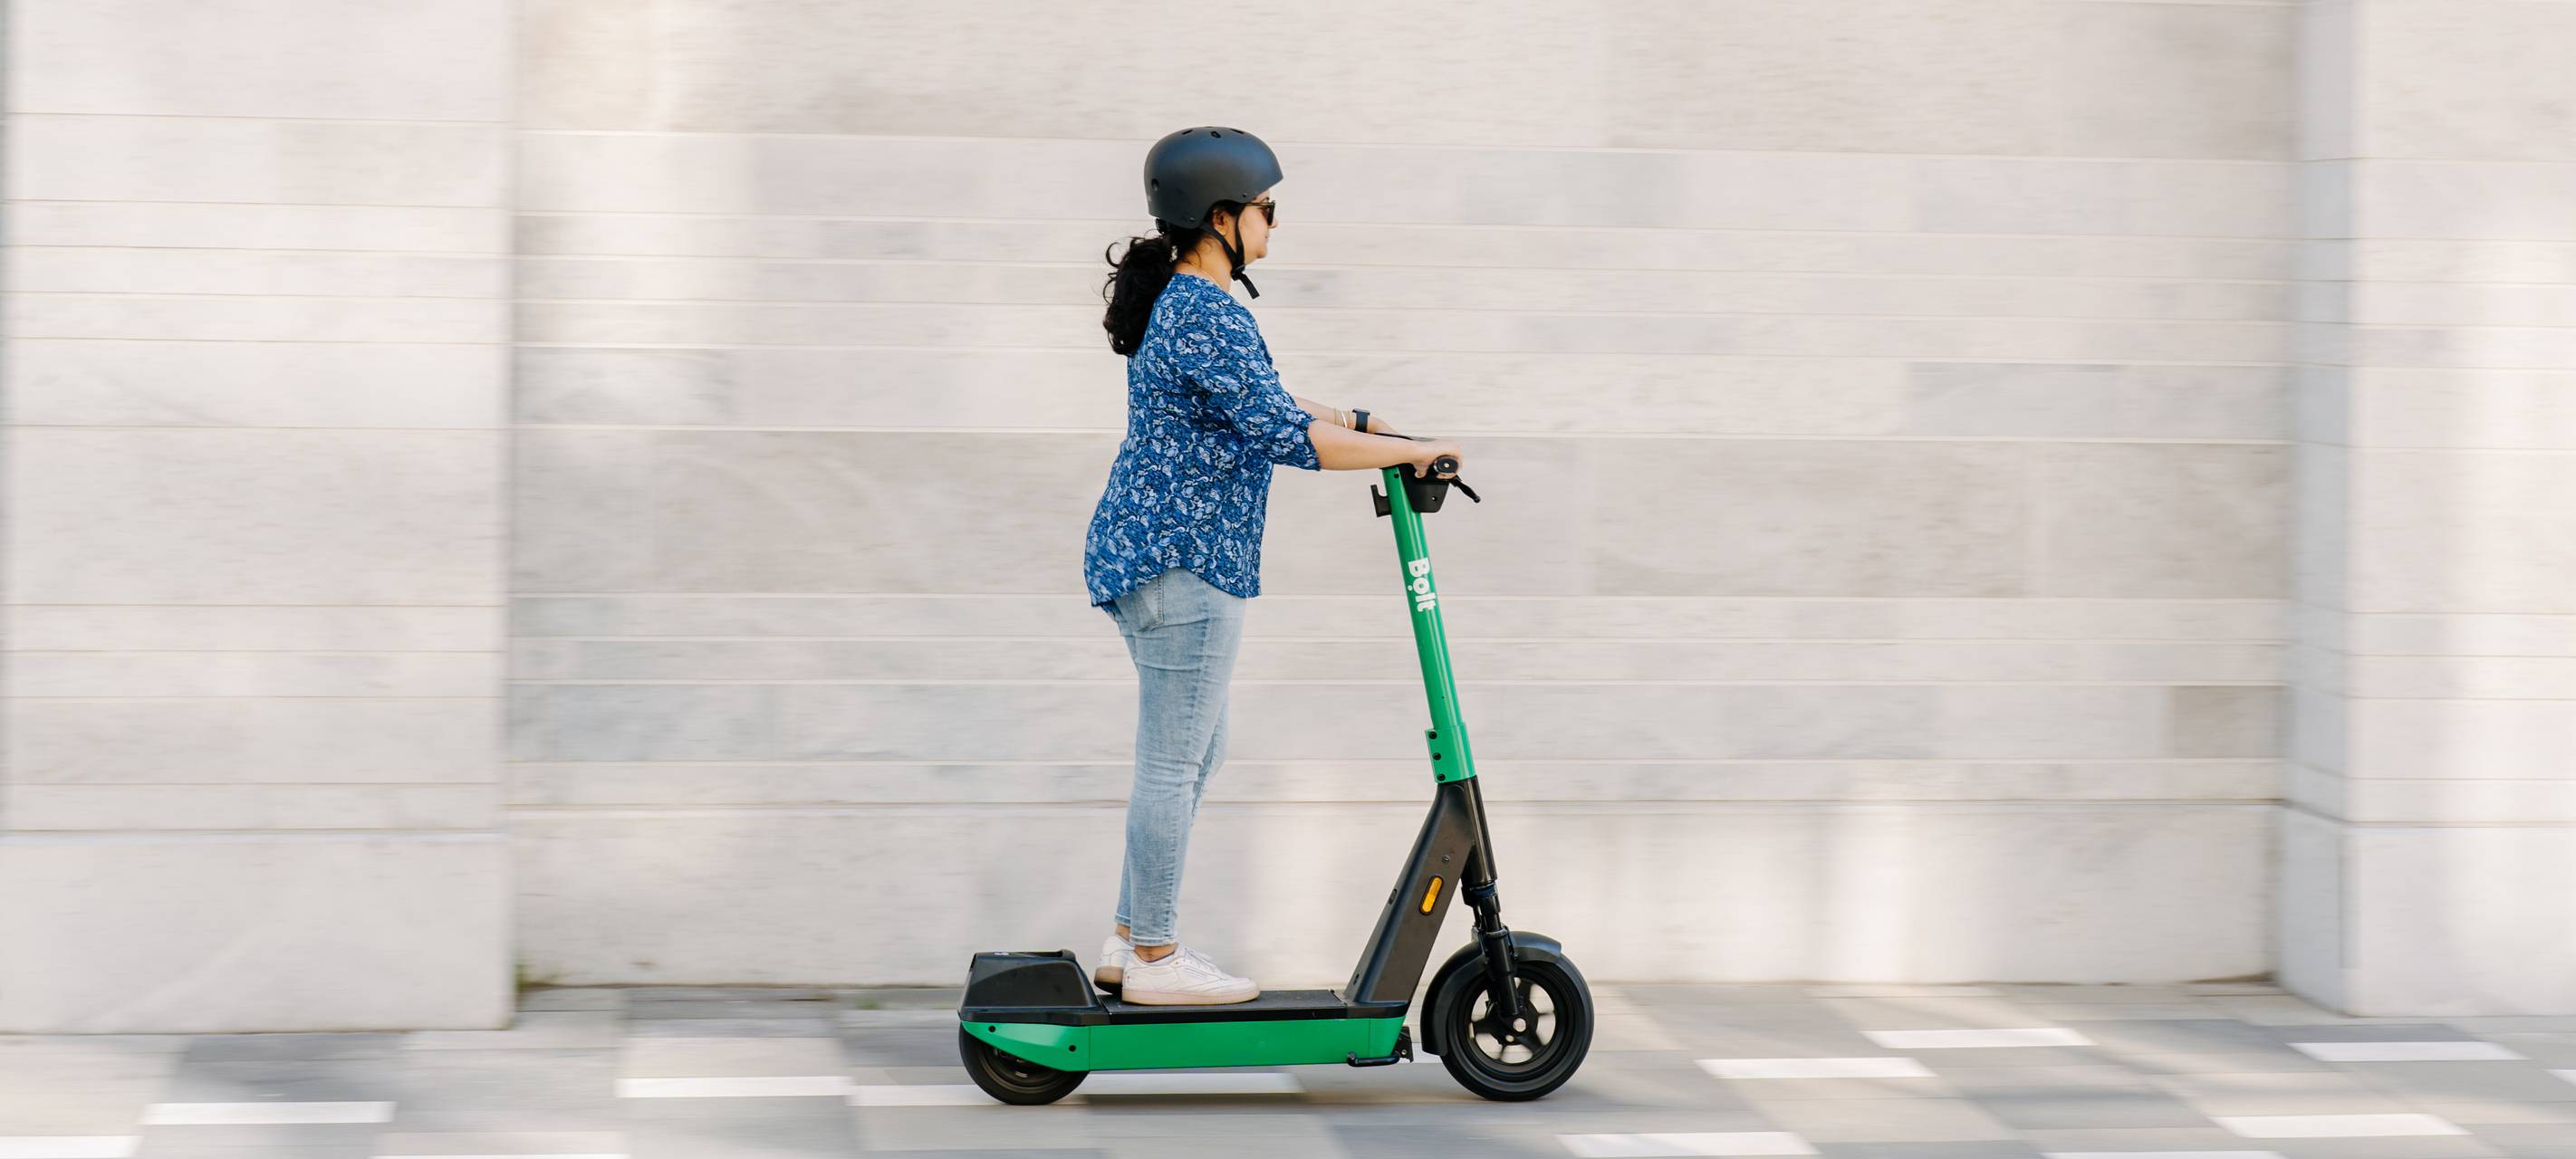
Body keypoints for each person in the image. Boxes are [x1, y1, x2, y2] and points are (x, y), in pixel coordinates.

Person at [1081, 126, 1464, 1005]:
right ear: (1221, 217)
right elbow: (1287, 436)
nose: (1274, 226)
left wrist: (1375, 428)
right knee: (1175, 762)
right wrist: (1409, 451)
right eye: (1266, 210)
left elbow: (1273, 399)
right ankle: (1156, 957)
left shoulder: (1185, 305)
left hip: (1150, 557)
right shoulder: (1209, 310)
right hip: (1186, 564)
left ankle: (1130, 936)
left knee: (1192, 753)